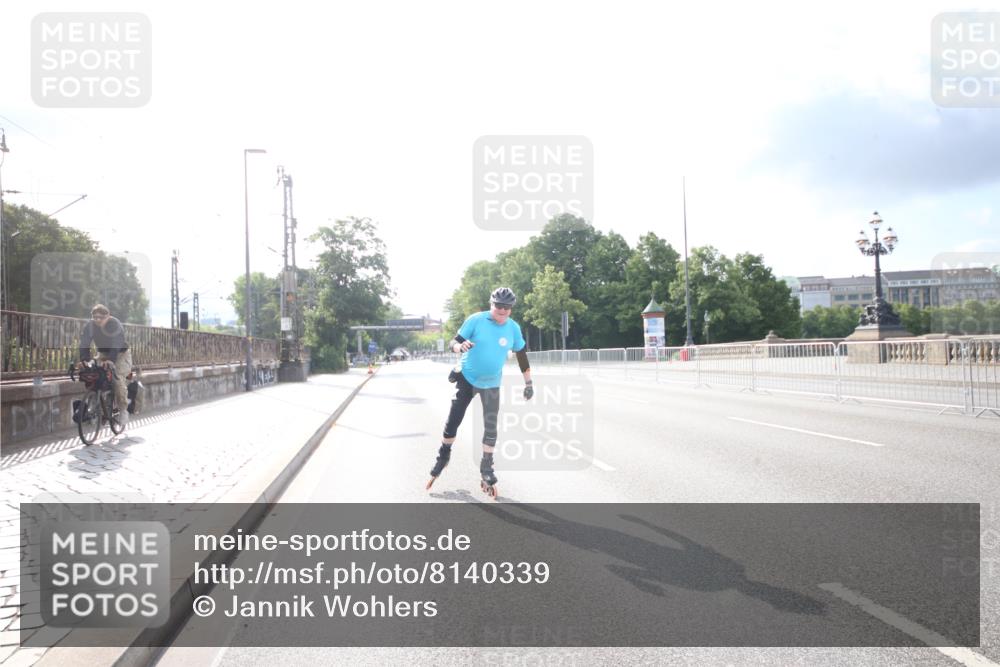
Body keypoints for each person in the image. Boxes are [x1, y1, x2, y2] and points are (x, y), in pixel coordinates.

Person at [427, 287, 533, 497]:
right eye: (498, 306)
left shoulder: (513, 328)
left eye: (507, 307)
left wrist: (528, 383)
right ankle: (443, 456)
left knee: (491, 426)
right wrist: (459, 347)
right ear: (491, 304)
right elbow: (453, 342)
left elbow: (522, 356)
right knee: (454, 420)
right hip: (467, 378)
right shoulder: (476, 320)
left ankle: (487, 467)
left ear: (511, 309)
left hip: (492, 382)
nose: (502, 310)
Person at [78, 304, 132, 427]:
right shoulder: (90, 325)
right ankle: (95, 402)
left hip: (120, 354)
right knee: (93, 373)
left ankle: (123, 410)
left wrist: (111, 360)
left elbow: (116, 343)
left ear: (108, 316)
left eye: (101, 317)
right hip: (103, 354)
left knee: (117, 379)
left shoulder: (114, 324)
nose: (98, 320)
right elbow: (84, 343)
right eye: (95, 317)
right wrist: (84, 360)